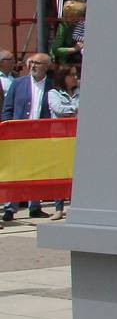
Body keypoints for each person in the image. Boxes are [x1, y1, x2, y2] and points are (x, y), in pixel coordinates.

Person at [1, 53, 56, 221]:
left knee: (37, 171)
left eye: (37, 63)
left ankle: (35, 206)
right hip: (19, 135)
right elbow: (7, 109)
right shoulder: (18, 84)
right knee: (16, 172)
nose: (33, 66)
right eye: (31, 62)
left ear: (47, 66)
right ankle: (10, 208)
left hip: (41, 135)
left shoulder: (51, 86)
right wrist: (7, 128)